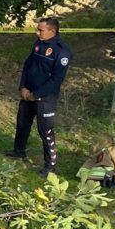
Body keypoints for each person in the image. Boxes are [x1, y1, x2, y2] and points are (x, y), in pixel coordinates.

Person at [5, 17, 72, 176]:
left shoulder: (62, 51)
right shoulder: (38, 43)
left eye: (40, 30)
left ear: (52, 31)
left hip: (45, 98)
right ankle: (19, 151)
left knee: (46, 131)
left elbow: (56, 80)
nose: (37, 32)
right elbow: (28, 65)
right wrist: (23, 86)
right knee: (22, 123)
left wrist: (36, 94)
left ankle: (50, 165)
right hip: (27, 94)